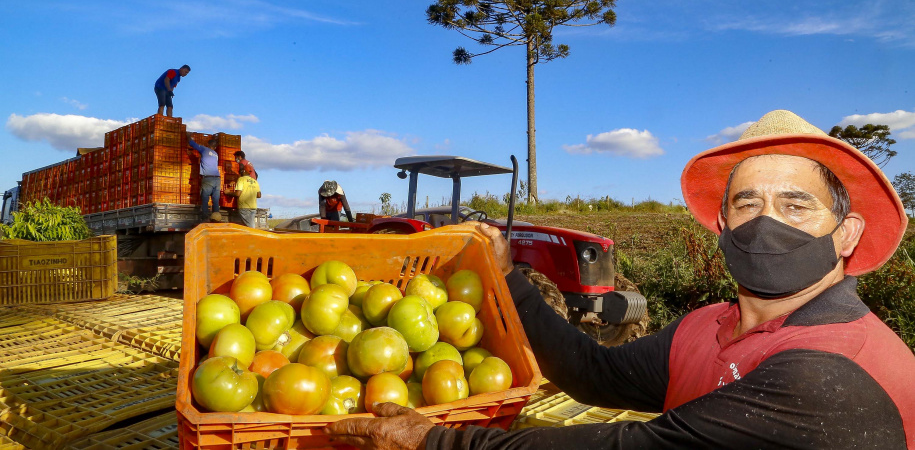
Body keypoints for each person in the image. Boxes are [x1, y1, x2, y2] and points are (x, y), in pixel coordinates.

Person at [326, 110, 915, 449]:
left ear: (846, 233)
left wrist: (435, 442)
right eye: (747, 204)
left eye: (795, 205)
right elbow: (594, 373)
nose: (766, 223)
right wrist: (513, 280)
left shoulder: (836, 370)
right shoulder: (708, 328)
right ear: (722, 224)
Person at [187, 133, 221, 219]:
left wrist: (187, 135)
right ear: (215, 147)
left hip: (208, 178)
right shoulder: (216, 154)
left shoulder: (204, 149)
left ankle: (205, 218)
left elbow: (192, 143)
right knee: (215, 200)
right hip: (217, 179)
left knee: (205, 198)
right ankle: (216, 218)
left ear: (208, 145)